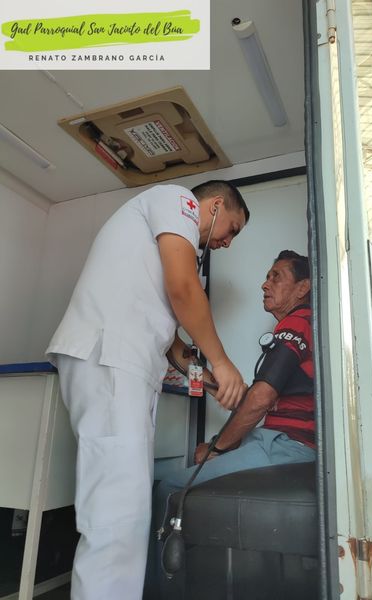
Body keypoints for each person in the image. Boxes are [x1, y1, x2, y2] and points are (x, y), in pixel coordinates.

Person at [45, 180, 249, 600]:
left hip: (118, 363)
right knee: (117, 515)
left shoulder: (157, 248)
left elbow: (171, 342)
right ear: (214, 205)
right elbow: (184, 289)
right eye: (232, 228)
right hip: (111, 359)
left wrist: (210, 379)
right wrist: (223, 361)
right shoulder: (178, 200)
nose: (228, 242)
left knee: (126, 510)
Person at [153, 250, 315, 570]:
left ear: (303, 288)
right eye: (267, 277)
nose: (265, 284)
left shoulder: (297, 323)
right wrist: (215, 385)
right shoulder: (304, 326)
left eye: (276, 277)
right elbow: (256, 396)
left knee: (169, 489)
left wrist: (217, 448)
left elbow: (261, 398)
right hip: (280, 442)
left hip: (284, 444)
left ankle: (156, 585)